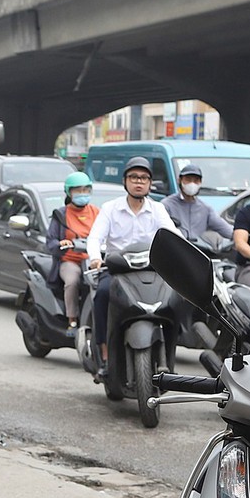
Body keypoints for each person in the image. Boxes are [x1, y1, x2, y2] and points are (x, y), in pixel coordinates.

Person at [83, 156, 179, 375]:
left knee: (175, 298)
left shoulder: (157, 209)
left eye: (144, 178)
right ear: (125, 181)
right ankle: (105, 355)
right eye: (134, 177)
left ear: (149, 183)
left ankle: (170, 350)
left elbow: (172, 235)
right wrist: (96, 257)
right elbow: (94, 238)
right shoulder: (110, 208)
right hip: (117, 269)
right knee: (102, 295)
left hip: (151, 269)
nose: (139, 182)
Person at [46, 171, 99, 330]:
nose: (82, 194)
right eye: (78, 190)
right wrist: (62, 243)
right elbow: (51, 241)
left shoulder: (96, 212)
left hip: (94, 259)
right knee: (72, 281)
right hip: (70, 260)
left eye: (85, 190)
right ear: (69, 192)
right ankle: (72, 319)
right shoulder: (61, 215)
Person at [162, 163, 234, 246]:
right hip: (175, 249)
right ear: (179, 180)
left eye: (196, 181)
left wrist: (240, 235)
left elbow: (225, 229)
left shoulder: (205, 209)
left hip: (199, 251)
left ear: (200, 183)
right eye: (188, 180)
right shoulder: (166, 205)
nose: (192, 184)